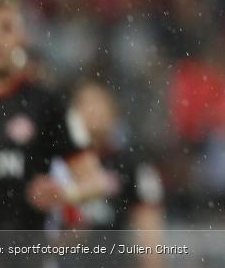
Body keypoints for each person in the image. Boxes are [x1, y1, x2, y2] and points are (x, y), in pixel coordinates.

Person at [0, 0, 110, 265]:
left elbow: (97, 180)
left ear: (22, 37)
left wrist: (65, 194)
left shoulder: (47, 104)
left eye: (6, 28)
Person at [54, 80, 165, 268]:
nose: (93, 111)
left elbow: (148, 225)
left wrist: (152, 260)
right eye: (85, 104)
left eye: (100, 104)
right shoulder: (54, 161)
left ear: (114, 113)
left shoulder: (132, 164)